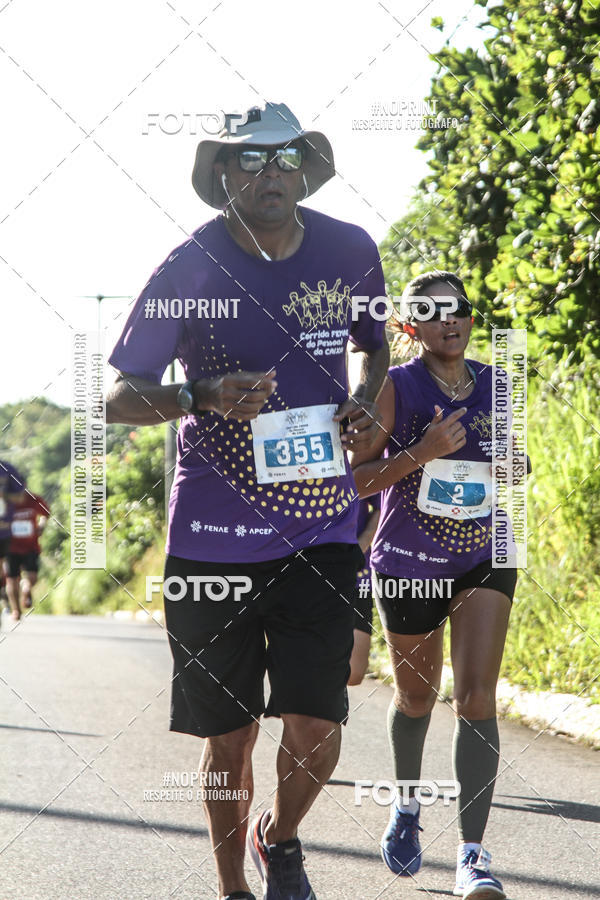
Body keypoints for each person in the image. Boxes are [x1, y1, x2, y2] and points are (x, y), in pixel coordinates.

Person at [106, 101, 389, 900]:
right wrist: (200, 394)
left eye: (286, 158)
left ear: (305, 168)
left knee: (316, 726)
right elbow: (120, 400)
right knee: (228, 740)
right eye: (253, 160)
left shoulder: (350, 250)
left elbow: (375, 348)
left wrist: (366, 402)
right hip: (212, 542)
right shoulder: (187, 267)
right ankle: (232, 890)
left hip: (321, 526)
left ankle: (282, 836)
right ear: (223, 175)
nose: (272, 173)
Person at [352, 271, 520, 900]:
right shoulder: (394, 387)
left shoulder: (500, 384)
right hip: (407, 559)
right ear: (409, 325)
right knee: (417, 699)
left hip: (483, 552)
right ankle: (406, 805)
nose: (450, 321)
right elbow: (359, 481)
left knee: (477, 696)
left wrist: (512, 463)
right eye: (432, 311)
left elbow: (512, 460)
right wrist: (420, 452)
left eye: (461, 310)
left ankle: (472, 857)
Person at [348, 496, 380, 686]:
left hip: (355, 577)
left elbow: (382, 505)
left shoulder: (354, 464)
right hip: (303, 575)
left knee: (353, 672)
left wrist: (362, 544)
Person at [5, 491, 50, 617]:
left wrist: (41, 526)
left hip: (31, 547)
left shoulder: (34, 499)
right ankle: (16, 610)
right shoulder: (5, 501)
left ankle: (25, 587)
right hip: (10, 548)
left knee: (33, 577)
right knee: (11, 580)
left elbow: (45, 514)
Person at [0, 460, 26, 621]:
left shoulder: (8, 469)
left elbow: (20, 497)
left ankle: (6, 599)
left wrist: (4, 495)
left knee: (4, 568)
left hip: (3, 531)